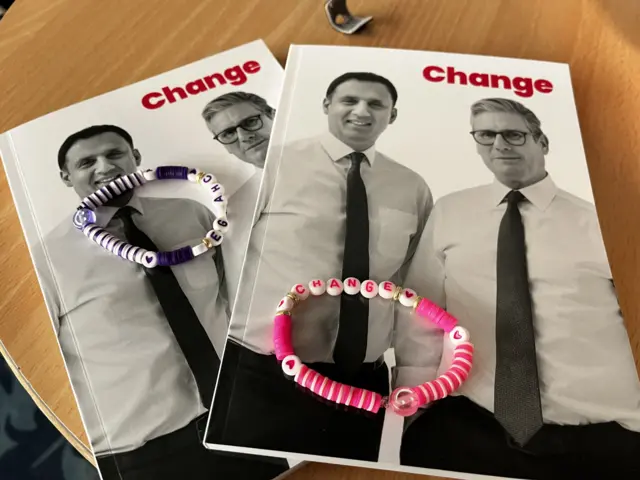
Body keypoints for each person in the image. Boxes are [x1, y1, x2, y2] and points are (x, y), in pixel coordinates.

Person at [398, 98, 640, 479]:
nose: (499, 145)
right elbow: (420, 312)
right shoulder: (450, 211)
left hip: (599, 438)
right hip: (473, 425)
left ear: (542, 142)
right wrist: (412, 406)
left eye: (513, 134)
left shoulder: (602, 222)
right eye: (486, 135)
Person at [34, 125, 289, 480]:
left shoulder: (192, 214)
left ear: (136, 158)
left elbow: (236, 301)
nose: (104, 167)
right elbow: (42, 369)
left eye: (115, 154)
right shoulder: (46, 261)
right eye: (87, 162)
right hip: (143, 451)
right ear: (67, 177)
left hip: (238, 417)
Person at [206, 72, 434, 462]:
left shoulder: (411, 186)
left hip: (363, 378)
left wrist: (417, 377)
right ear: (327, 106)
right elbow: (220, 274)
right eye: (348, 100)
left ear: (392, 115)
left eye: (376, 104)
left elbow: (413, 285)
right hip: (265, 372)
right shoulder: (265, 172)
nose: (361, 111)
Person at [201, 91, 275, 306]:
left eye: (251, 122)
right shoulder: (234, 212)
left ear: (273, 115)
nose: (244, 136)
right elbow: (241, 295)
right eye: (228, 133)